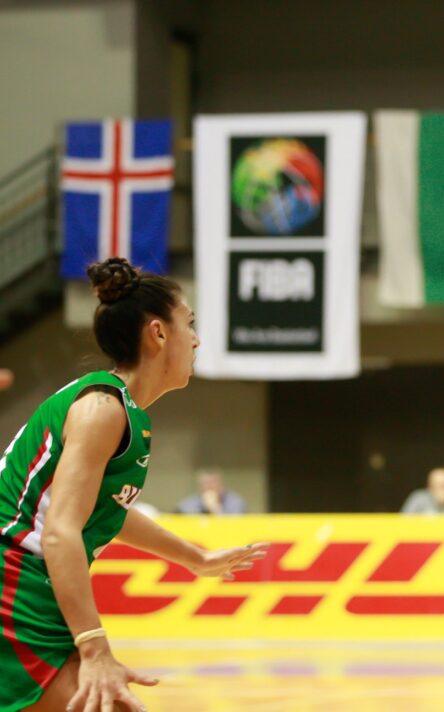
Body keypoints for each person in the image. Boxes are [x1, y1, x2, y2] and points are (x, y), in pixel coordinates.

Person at [0, 258, 268, 712]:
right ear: (158, 333)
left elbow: (106, 511)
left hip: (31, 588)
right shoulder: (101, 409)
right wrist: (94, 648)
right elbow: (61, 532)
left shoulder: (125, 413)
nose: (197, 339)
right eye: (190, 324)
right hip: (13, 584)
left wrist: (196, 558)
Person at [177, 468, 247, 515]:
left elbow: (235, 525)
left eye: (213, 483)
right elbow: (181, 515)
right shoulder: (191, 501)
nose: (209, 487)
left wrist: (215, 509)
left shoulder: (234, 502)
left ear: (221, 485)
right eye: (206, 484)